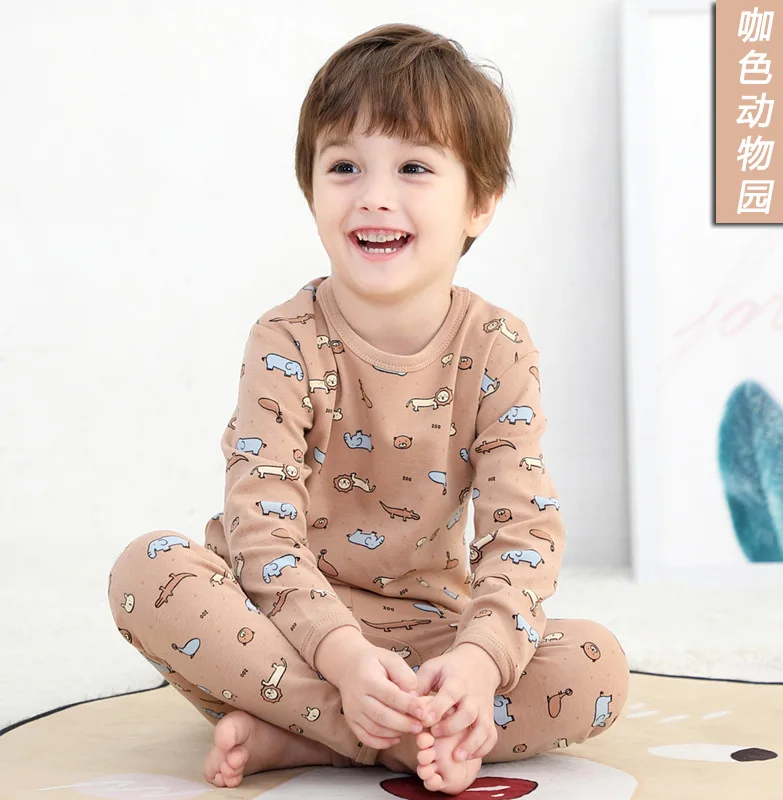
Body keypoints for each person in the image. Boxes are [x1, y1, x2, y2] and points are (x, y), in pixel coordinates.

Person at [106, 22, 629, 796]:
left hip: (429, 640)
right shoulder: (284, 341)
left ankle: (313, 735)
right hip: (282, 631)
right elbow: (260, 531)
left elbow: (522, 532)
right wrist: (343, 659)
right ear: (312, 190)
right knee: (146, 571)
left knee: (596, 667)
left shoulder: (498, 347)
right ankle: (377, 732)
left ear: (481, 203)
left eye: (414, 167)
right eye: (344, 166)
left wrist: (478, 664)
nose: (374, 195)